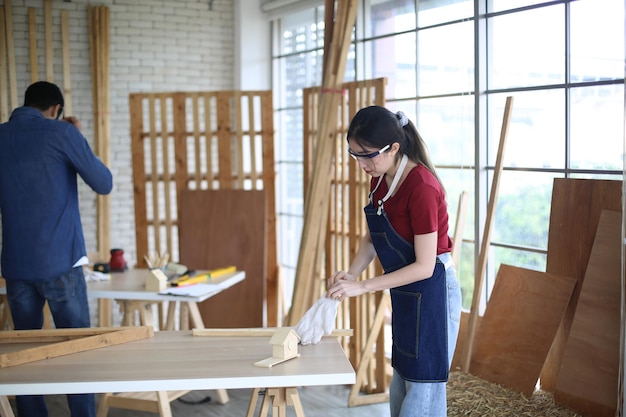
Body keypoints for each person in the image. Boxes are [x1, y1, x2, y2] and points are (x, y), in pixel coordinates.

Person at [326, 105, 462, 417]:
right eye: (354, 154)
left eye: (368, 154)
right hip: (406, 294)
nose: (362, 164)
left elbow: (425, 266)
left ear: (394, 147)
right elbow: (374, 235)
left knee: (422, 393)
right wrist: (351, 274)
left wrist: (363, 287)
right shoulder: (380, 178)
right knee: (401, 384)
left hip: (433, 294)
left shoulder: (422, 188)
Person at [0, 81, 112, 417]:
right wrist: (77, 136)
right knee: (77, 350)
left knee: (26, 353)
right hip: (61, 261)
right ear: (55, 110)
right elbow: (103, 183)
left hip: (17, 265)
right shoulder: (62, 134)